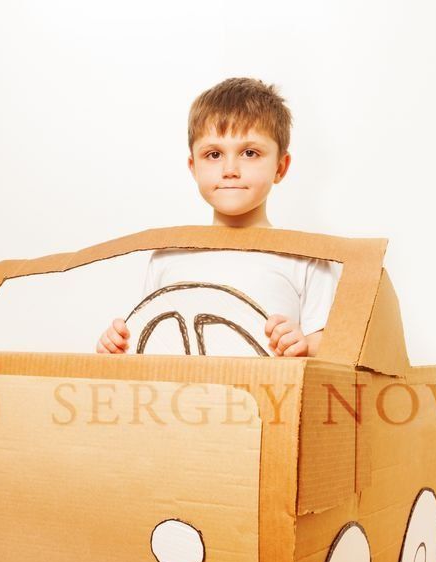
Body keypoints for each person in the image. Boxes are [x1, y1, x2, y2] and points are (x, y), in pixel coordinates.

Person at [96, 77, 340, 358]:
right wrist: (118, 346)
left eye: (250, 153)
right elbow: (151, 340)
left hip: (265, 400)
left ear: (280, 167)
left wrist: (303, 346)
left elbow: (331, 353)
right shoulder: (168, 255)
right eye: (213, 154)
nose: (230, 169)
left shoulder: (306, 257)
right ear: (193, 167)